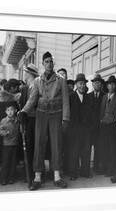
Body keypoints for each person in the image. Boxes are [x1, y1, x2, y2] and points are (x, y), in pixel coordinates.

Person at [19, 51, 70, 190]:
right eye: (46, 61)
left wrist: (65, 119)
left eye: (51, 61)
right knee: (39, 143)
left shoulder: (61, 80)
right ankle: (37, 177)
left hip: (56, 114)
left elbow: (65, 101)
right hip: (41, 114)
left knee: (56, 144)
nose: (49, 64)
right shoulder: (37, 81)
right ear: (42, 64)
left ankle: (57, 177)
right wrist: (24, 111)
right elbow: (32, 99)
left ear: (53, 64)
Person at [65, 73, 91, 180]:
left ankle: (85, 172)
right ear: (76, 84)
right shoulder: (71, 97)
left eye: (83, 83)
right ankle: (73, 173)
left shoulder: (88, 97)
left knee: (85, 151)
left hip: (85, 129)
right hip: (74, 129)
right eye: (80, 83)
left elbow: (91, 113)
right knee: (74, 151)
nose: (82, 86)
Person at [19, 64, 39, 183]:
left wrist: (23, 111)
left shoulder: (35, 86)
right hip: (27, 119)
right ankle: (29, 173)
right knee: (28, 146)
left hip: (35, 119)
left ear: (30, 74)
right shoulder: (26, 87)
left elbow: (32, 101)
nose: (25, 74)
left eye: (26, 72)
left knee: (33, 146)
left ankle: (34, 174)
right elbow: (22, 102)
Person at [99, 75, 116, 176]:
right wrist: (101, 120)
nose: (111, 86)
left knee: (112, 148)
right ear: (107, 86)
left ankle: (111, 170)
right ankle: (104, 168)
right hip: (104, 125)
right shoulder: (104, 97)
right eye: (109, 84)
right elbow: (101, 111)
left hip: (112, 125)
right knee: (104, 147)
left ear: (115, 86)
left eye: (113, 84)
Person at [88, 74, 105, 175]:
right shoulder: (88, 96)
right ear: (93, 84)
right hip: (90, 127)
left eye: (98, 82)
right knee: (88, 147)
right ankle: (86, 167)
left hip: (100, 127)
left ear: (101, 84)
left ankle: (97, 168)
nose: (96, 84)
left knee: (99, 147)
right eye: (95, 82)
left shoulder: (104, 96)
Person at [0, 103, 20, 185]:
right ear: (5, 112)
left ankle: (11, 178)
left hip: (15, 144)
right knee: (6, 162)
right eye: (8, 110)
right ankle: (4, 178)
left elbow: (19, 129)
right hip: (6, 145)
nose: (10, 112)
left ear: (15, 111)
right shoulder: (3, 121)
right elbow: (0, 130)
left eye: (11, 110)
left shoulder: (17, 120)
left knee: (13, 162)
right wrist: (5, 133)